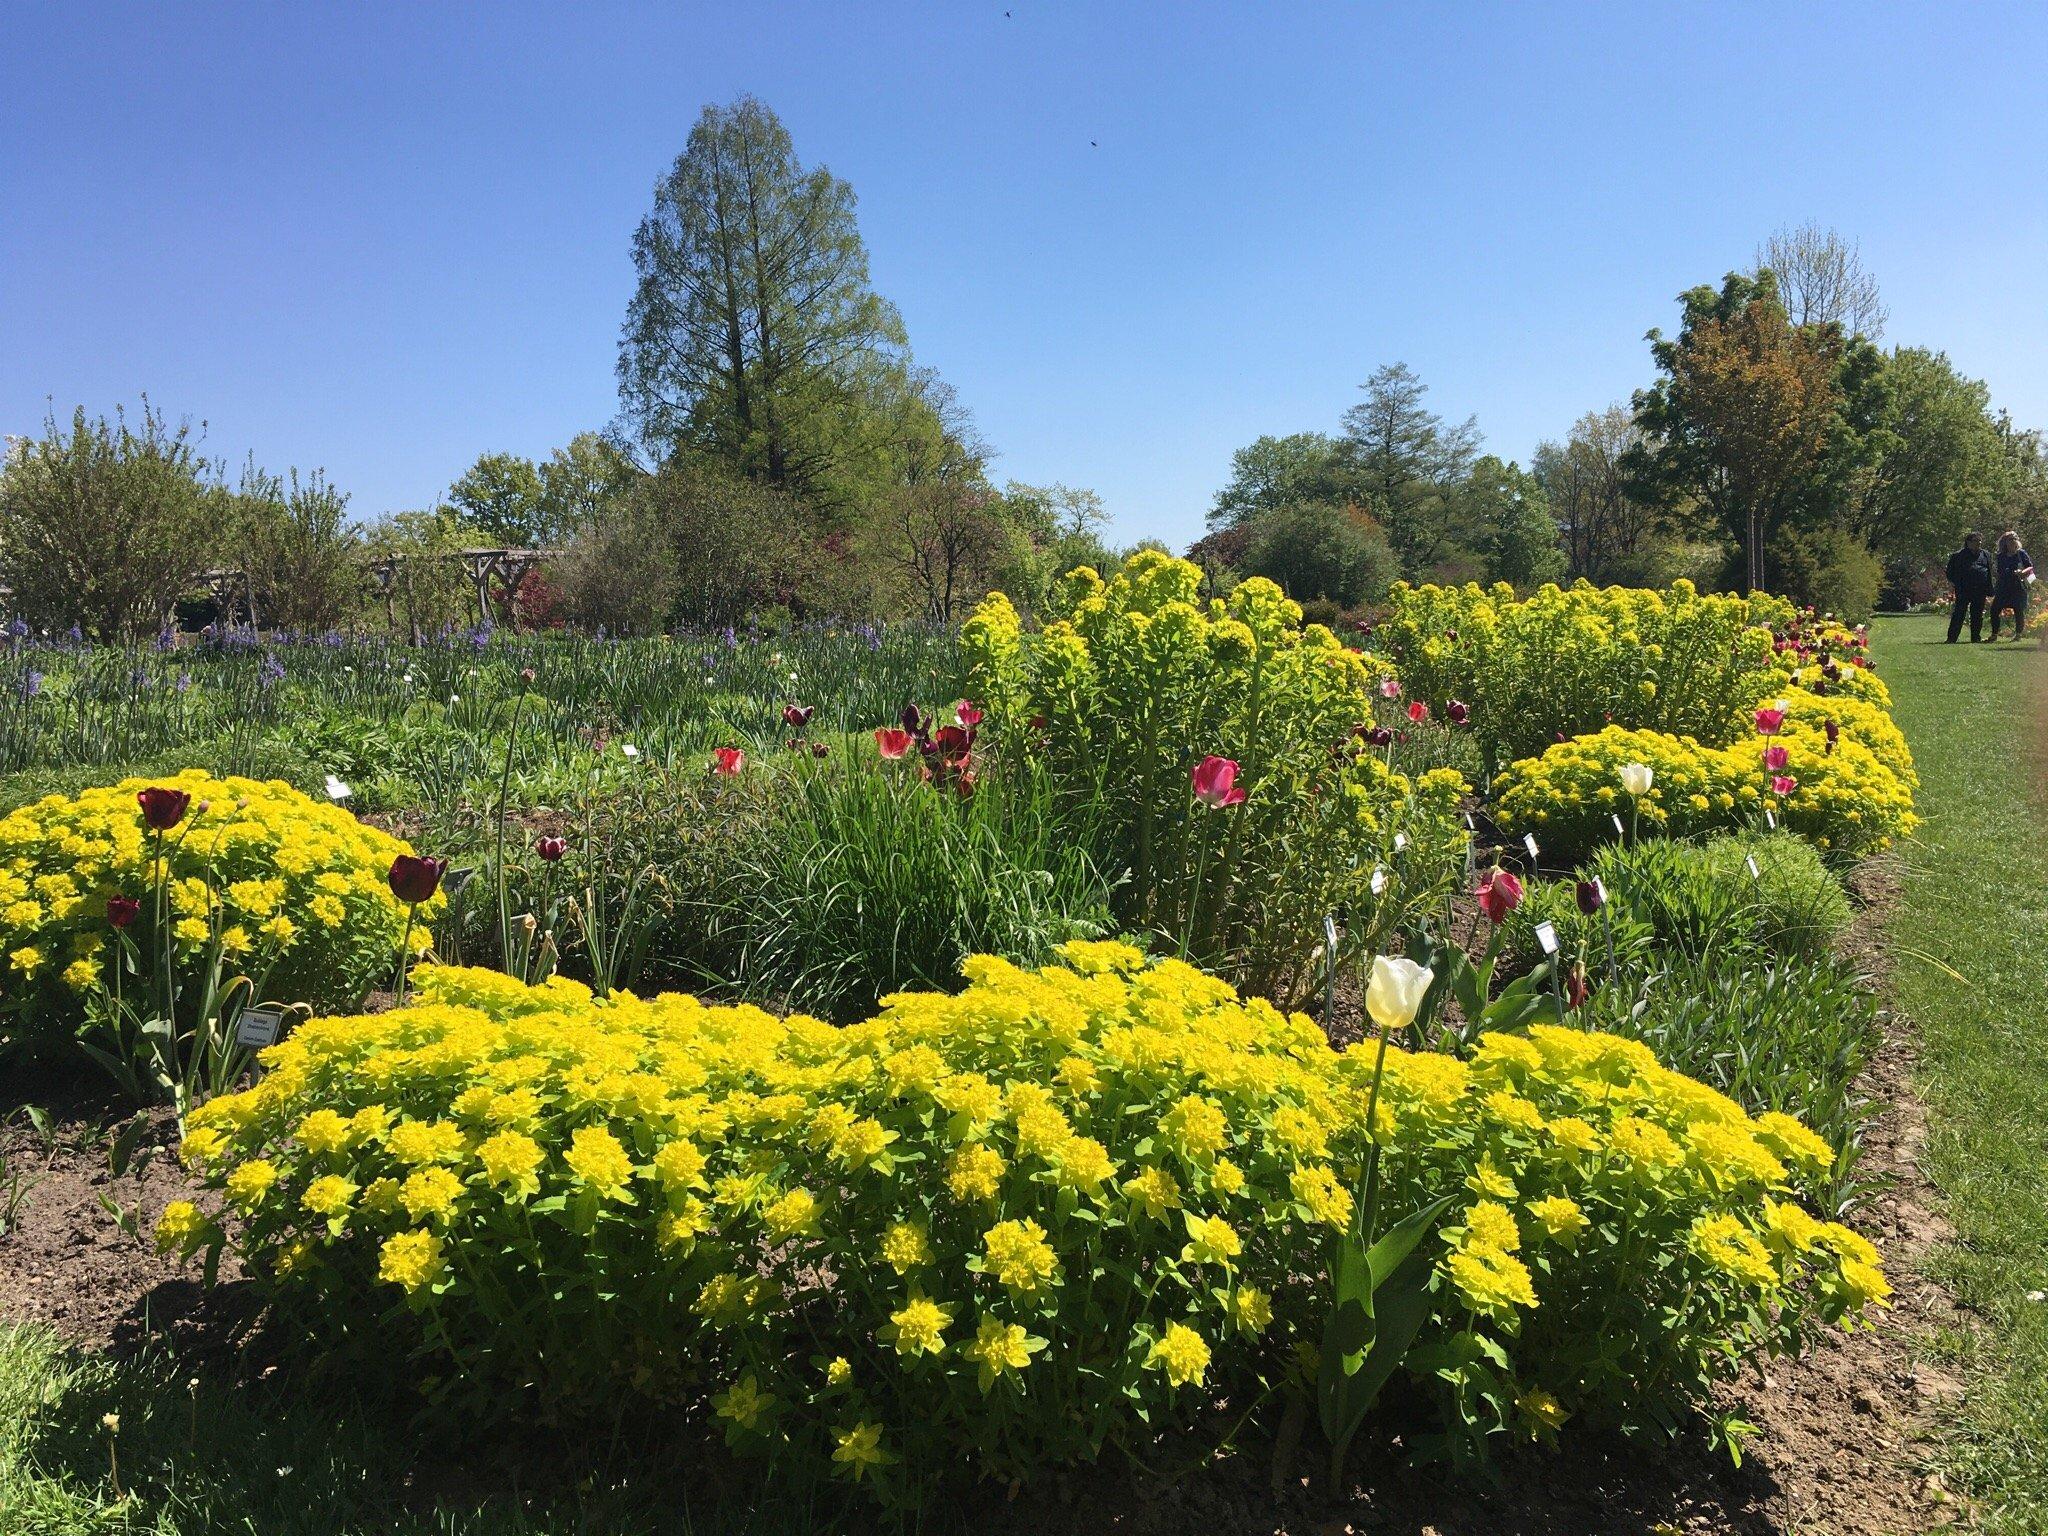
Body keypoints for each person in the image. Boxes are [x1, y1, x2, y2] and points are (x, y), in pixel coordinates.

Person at [1946, 532, 1993, 642]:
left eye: (1980, 541)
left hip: (1980, 589)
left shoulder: (1986, 555)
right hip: (1963, 589)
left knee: (1977, 614)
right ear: (1968, 542)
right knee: (1959, 613)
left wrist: (1989, 588)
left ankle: (1975, 637)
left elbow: (1989, 571)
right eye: (1976, 541)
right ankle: (1952, 638)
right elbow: (1950, 572)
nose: (1979, 543)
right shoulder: (1958, 556)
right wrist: (1955, 583)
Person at [1990, 530, 2036, 641]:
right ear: (2004, 542)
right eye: (2010, 539)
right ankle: (1994, 634)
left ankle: (2018, 635)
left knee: (2018, 610)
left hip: (2018, 586)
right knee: (1994, 609)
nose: (2013, 541)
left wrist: (2022, 572)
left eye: (2015, 538)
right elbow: (1999, 570)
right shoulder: (2000, 556)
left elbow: (2030, 567)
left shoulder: (2021, 553)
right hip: (2003, 586)